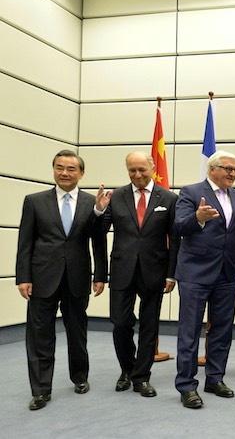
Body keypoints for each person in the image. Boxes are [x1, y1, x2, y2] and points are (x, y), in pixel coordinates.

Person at [16, 150, 107, 411]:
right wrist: (23, 277)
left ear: (81, 173)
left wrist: (100, 275)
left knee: (77, 331)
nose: (64, 173)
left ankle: (80, 377)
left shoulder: (93, 202)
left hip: (77, 277)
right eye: (59, 168)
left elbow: (98, 240)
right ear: (53, 169)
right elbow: (25, 242)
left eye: (70, 169)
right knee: (39, 335)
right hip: (42, 277)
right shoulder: (34, 201)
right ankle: (41, 390)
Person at [95, 152, 179, 398]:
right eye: (132, 170)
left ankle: (141, 377)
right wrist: (99, 212)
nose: (137, 175)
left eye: (142, 169)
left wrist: (171, 274)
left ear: (152, 168)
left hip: (155, 270)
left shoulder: (169, 198)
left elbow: (175, 240)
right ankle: (127, 368)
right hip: (122, 270)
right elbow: (99, 232)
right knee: (120, 323)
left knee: (149, 326)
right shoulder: (116, 196)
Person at [173, 150, 235, 409]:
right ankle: (186, 386)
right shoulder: (191, 192)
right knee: (190, 332)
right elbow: (178, 226)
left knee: (222, 330)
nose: (232, 174)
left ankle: (215, 378)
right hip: (195, 273)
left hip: (227, 273)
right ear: (212, 169)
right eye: (228, 169)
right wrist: (197, 219)